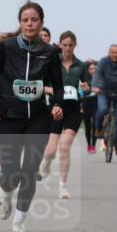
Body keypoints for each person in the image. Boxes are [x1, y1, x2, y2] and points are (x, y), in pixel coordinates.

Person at [0, 2, 64, 232]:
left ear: (41, 22)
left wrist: (58, 104)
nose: (30, 23)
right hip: (9, 118)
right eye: (25, 19)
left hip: (38, 119)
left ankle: (19, 224)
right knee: (11, 174)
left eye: (34, 19)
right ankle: (5, 191)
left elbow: (58, 85)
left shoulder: (49, 52)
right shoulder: (7, 48)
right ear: (20, 23)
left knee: (29, 171)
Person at [38, 31, 88, 198]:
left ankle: (62, 186)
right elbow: (40, 85)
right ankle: (45, 163)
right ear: (60, 45)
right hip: (55, 107)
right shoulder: (52, 62)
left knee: (65, 147)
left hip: (73, 108)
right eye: (64, 45)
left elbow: (87, 85)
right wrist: (52, 89)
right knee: (50, 151)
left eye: (70, 45)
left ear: (75, 46)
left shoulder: (81, 65)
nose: (67, 48)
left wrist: (86, 88)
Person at [81, 60, 98, 154]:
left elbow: (101, 63)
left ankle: (93, 146)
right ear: (87, 70)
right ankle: (88, 145)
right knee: (87, 126)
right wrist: (87, 62)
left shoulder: (99, 79)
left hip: (96, 102)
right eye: (91, 69)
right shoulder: (84, 79)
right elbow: (83, 66)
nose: (93, 70)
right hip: (86, 102)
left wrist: (94, 61)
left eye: (95, 68)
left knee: (95, 125)